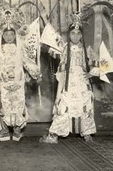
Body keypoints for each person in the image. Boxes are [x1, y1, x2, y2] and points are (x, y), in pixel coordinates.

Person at [40, 16, 97, 144]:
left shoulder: (87, 49)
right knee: (63, 106)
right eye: (72, 33)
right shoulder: (65, 48)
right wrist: (45, 19)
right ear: (69, 34)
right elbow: (52, 36)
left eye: (78, 33)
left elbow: (97, 64)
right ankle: (54, 135)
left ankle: (87, 133)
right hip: (68, 82)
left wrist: (91, 74)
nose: (75, 36)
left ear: (81, 35)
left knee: (86, 106)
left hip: (82, 83)